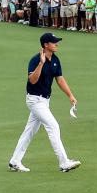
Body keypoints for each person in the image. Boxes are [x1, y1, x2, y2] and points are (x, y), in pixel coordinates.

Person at [8, 32, 81, 173]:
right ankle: (64, 162)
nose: (57, 44)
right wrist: (41, 63)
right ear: (46, 45)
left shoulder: (55, 60)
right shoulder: (35, 60)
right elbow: (33, 80)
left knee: (29, 131)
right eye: (54, 42)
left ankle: (15, 161)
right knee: (53, 126)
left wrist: (70, 95)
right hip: (34, 100)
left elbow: (59, 79)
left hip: (44, 101)